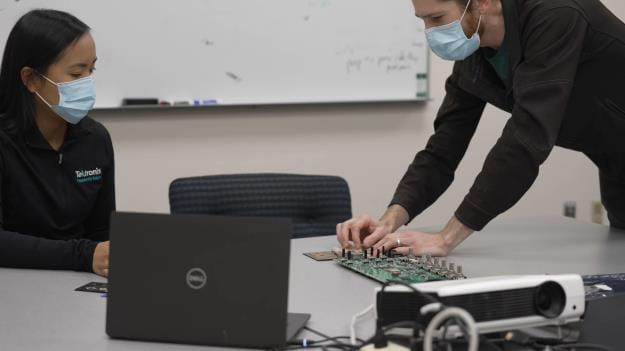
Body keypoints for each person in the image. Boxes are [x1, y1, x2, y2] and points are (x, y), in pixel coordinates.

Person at [337, 0, 625, 256]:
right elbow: (443, 148)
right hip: (614, 160)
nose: (430, 32)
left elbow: (525, 140)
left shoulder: (556, 14)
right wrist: (389, 221)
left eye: (436, 18)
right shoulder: (475, 50)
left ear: (482, 3)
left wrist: (445, 239)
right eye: (422, 20)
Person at [0, 9, 114, 276]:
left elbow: (103, 231)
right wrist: (83, 255)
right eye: (76, 74)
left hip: (78, 286)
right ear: (31, 79)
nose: (88, 83)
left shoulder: (95, 139)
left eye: (91, 69)